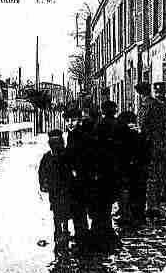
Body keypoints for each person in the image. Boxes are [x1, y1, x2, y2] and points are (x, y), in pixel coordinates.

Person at [90, 100, 124, 252]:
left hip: (103, 169)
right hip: (115, 169)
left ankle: (101, 233)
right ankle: (106, 231)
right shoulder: (120, 125)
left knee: (101, 203)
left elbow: (96, 149)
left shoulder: (100, 126)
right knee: (108, 201)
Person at [135, 82, 166, 218]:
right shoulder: (161, 105)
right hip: (159, 144)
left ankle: (152, 207)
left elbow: (142, 127)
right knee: (158, 175)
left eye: (140, 95)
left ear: (142, 94)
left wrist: (136, 129)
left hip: (149, 145)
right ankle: (155, 205)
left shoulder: (146, 106)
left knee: (150, 176)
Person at [38, 130, 72, 252]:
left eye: (57, 141)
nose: (55, 144)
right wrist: (43, 184)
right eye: (53, 141)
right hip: (54, 189)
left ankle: (64, 231)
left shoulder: (66, 155)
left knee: (65, 209)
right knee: (57, 210)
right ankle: (59, 232)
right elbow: (41, 172)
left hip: (65, 188)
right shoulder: (47, 157)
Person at [63, 108, 91, 248]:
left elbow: (83, 156)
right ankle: (81, 233)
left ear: (79, 121)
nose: (70, 123)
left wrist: (75, 170)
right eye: (67, 120)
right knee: (77, 208)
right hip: (76, 178)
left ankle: (82, 236)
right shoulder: (72, 134)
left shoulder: (80, 135)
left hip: (80, 178)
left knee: (78, 207)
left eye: (73, 120)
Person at [117, 111, 148, 225]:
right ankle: (138, 216)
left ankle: (128, 216)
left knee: (128, 193)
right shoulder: (139, 135)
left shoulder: (122, 135)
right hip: (138, 169)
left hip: (128, 169)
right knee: (138, 193)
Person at [153, 82, 166, 203]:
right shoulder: (154, 104)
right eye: (156, 92)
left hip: (165, 139)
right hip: (158, 139)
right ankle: (160, 191)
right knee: (158, 167)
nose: (158, 94)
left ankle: (165, 191)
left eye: (160, 92)